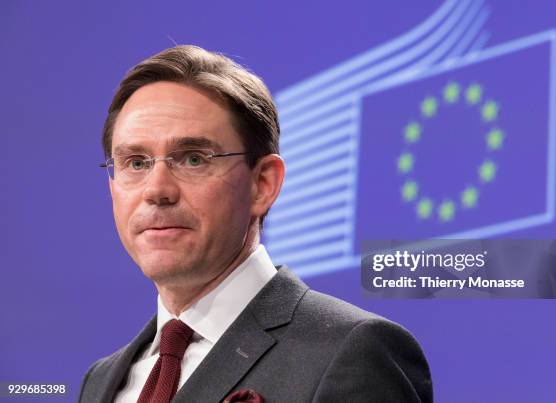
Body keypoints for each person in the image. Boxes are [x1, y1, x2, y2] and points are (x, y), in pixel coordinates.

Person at [78, 45, 433, 403]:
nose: (157, 190)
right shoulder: (101, 381)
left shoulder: (351, 353)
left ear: (263, 184)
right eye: (136, 163)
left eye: (194, 159)